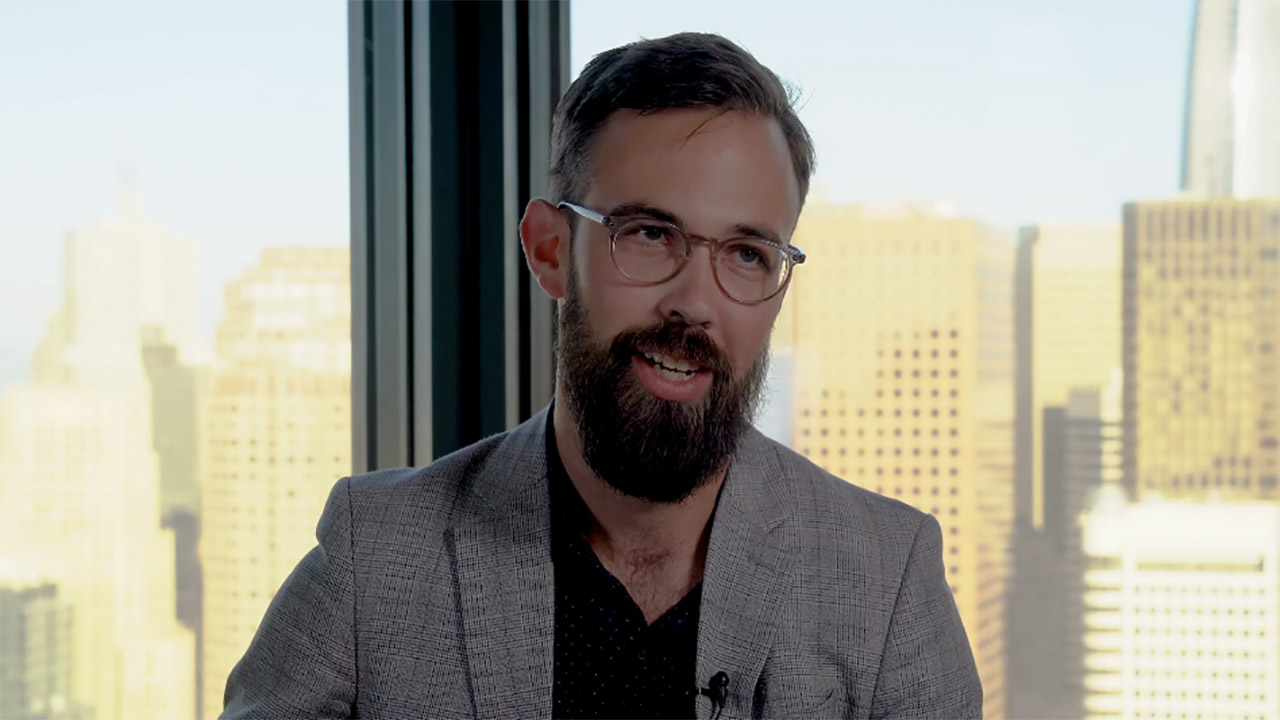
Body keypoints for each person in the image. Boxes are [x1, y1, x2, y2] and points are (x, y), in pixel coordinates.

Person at [221, 32, 981, 720]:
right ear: (550, 250)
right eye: (649, 234)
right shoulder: (375, 557)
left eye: (747, 254)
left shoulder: (888, 582)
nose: (694, 304)